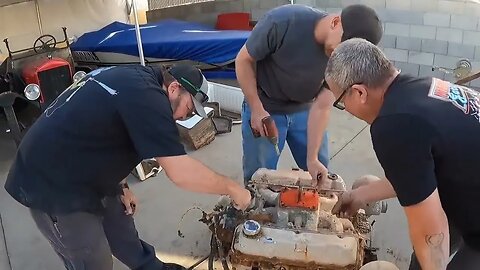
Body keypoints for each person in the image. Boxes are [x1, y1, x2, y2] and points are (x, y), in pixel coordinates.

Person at [4, 63, 252, 270]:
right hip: (51, 181)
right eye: (189, 108)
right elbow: (180, 172)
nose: (186, 117)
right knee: (93, 259)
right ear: (174, 88)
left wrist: (121, 183)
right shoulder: (148, 99)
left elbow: (102, 128)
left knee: (123, 233)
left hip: (81, 166)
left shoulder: (140, 80)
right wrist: (232, 188)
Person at [324, 38, 480, 270]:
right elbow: (415, 176)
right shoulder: (418, 87)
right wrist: (358, 195)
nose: (345, 110)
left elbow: (429, 228)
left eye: (340, 102)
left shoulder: (393, 125)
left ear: (358, 93)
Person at [235, 4, 383, 185]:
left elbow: (323, 105)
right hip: (265, 105)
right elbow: (244, 60)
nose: (339, 55)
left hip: (307, 110)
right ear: (335, 22)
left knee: (320, 178)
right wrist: (256, 108)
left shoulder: (343, 59)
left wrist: (312, 158)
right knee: (258, 180)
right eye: (341, 46)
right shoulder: (283, 22)